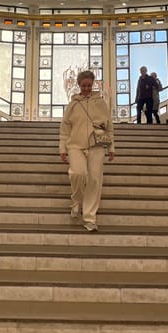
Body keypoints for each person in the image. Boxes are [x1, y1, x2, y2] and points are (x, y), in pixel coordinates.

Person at [59, 70, 115, 232]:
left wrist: (112, 147)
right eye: (84, 85)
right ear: (79, 85)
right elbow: (65, 128)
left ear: (93, 84)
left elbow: (109, 127)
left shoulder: (101, 103)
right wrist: (62, 147)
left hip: (96, 145)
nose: (87, 88)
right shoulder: (73, 104)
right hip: (75, 145)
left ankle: (89, 218)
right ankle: (76, 200)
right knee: (78, 173)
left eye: (89, 85)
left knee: (94, 180)